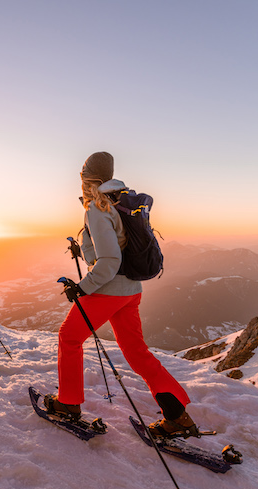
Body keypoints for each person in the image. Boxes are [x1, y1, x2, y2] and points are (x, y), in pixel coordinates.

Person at [45, 152, 198, 439]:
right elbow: (116, 248)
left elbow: (109, 261)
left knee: (69, 337)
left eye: (82, 178)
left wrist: (82, 288)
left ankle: (68, 403)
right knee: (136, 353)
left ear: (89, 180)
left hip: (108, 291)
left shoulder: (97, 208)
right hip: (130, 291)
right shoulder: (120, 199)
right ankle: (177, 416)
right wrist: (86, 249)